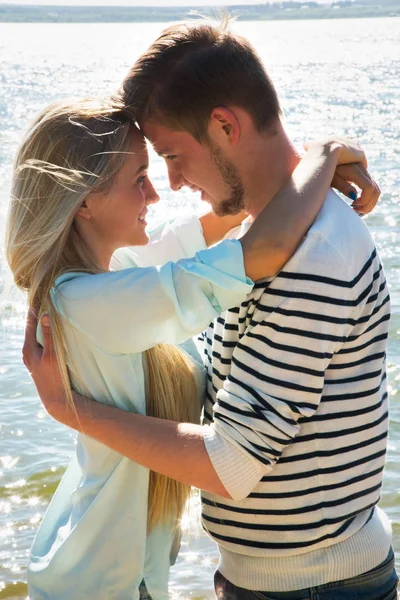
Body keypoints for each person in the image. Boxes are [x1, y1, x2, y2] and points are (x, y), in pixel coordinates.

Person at [6, 93, 372, 600]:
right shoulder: (88, 301)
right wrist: (329, 153)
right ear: (83, 202)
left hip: (118, 573)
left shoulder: (113, 276)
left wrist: (319, 157)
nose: (156, 194)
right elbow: (258, 251)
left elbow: (234, 212)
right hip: (97, 583)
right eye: (138, 179)